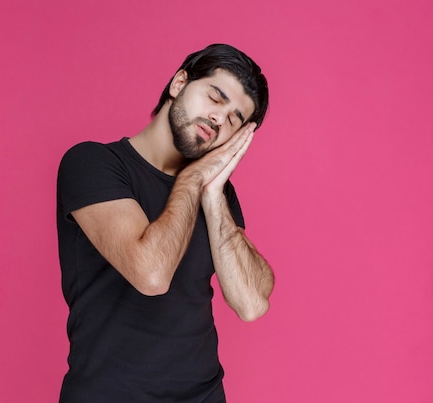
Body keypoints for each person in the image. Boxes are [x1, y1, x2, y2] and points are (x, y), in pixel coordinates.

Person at [56, 43, 275, 402]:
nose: (220, 119)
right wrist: (192, 178)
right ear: (179, 83)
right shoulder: (92, 162)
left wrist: (213, 193)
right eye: (215, 98)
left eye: (235, 119)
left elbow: (251, 303)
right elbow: (151, 275)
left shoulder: (216, 192)